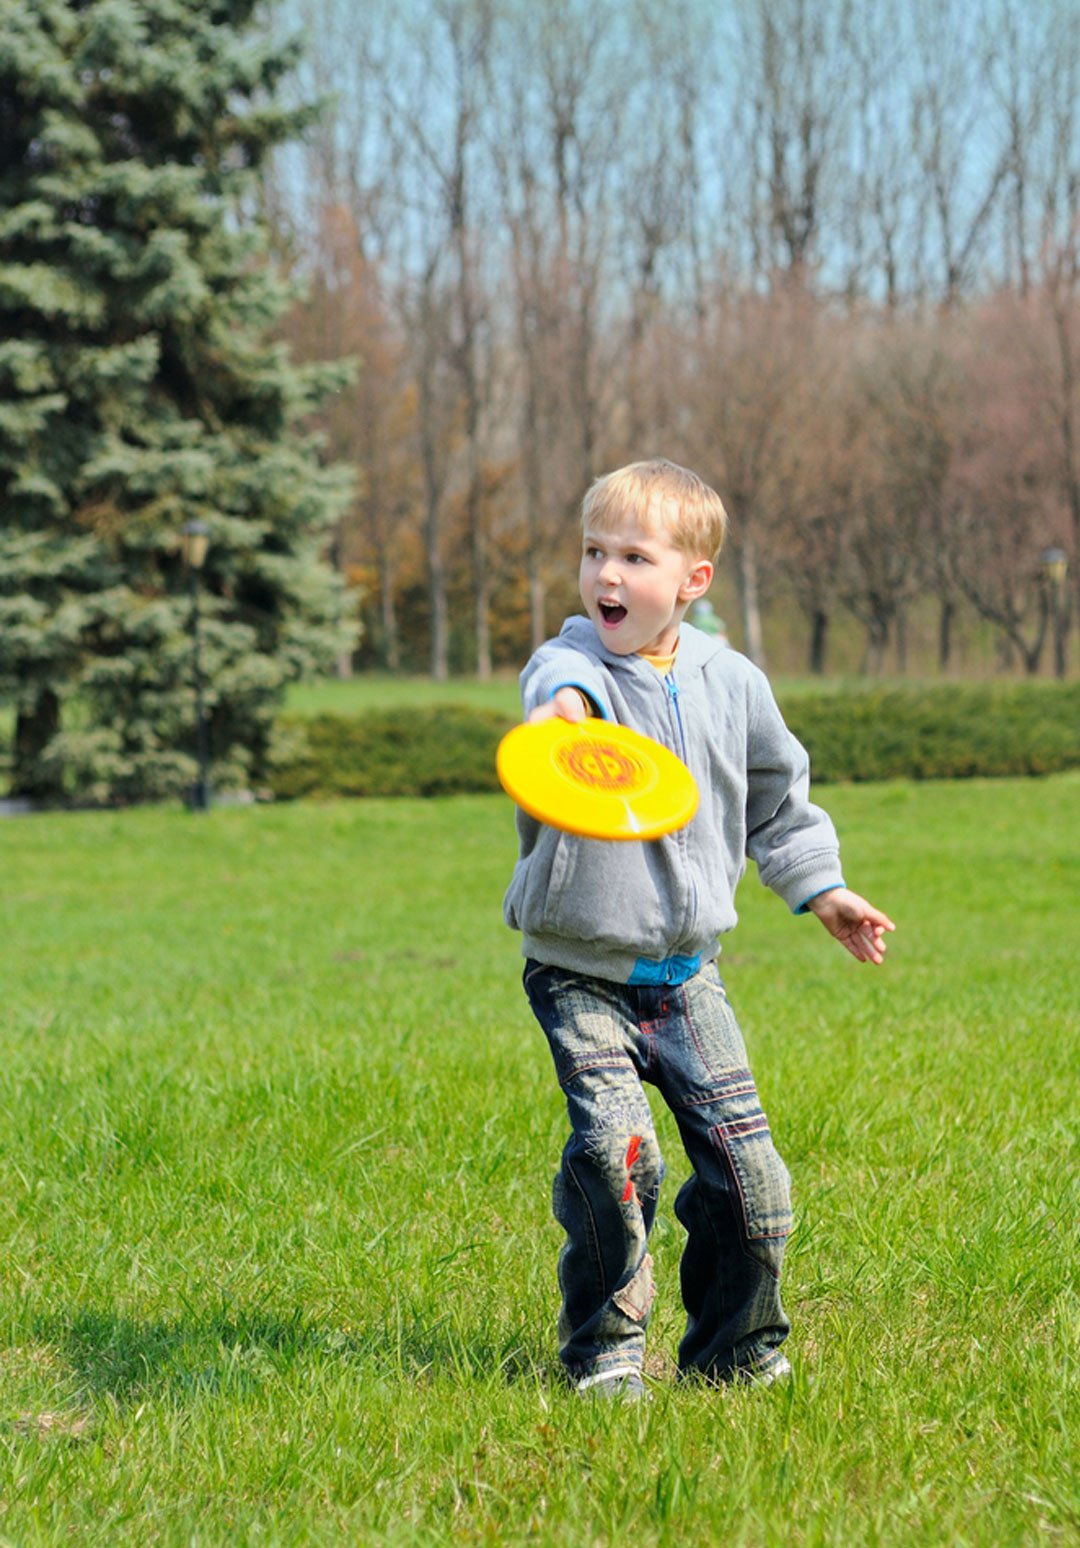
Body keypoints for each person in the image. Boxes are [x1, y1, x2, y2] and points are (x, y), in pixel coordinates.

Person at [503, 458, 894, 1400]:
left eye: (634, 557)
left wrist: (823, 889)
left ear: (692, 581)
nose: (605, 576)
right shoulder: (576, 667)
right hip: (580, 971)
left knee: (752, 1178)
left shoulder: (732, 682)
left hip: (688, 979)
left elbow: (777, 800)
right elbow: (556, 689)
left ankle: (734, 1352)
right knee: (617, 1155)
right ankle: (605, 1352)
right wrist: (565, 718)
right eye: (593, 551)